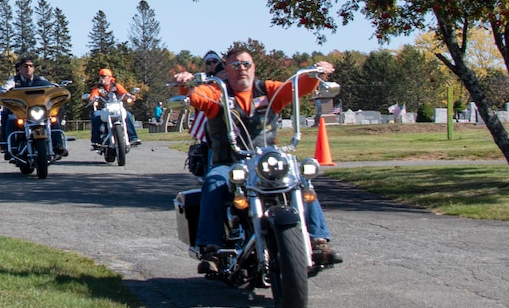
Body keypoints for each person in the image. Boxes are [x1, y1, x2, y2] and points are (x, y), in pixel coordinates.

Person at [179, 49, 341, 270]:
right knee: (213, 182)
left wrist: (314, 74)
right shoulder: (217, 93)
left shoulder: (268, 90)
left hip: (265, 163)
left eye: (246, 64)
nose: (241, 69)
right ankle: (212, 249)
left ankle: (318, 240)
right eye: (235, 65)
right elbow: (197, 98)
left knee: (301, 179)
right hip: (229, 163)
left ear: (253, 67)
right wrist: (188, 85)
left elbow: (295, 88)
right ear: (226, 69)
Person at [0, 56, 67, 159]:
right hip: (21, 111)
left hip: (37, 111)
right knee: (11, 119)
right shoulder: (14, 80)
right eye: (25, 66)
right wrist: (5, 90)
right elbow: (6, 88)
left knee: (53, 119)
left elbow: (50, 85)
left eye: (31, 66)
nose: (28, 68)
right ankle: (10, 147)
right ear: (20, 68)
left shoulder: (39, 79)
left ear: (34, 68)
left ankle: (58, 145)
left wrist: (58, 87)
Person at [86, 67, 139, 149]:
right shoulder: (98, 88)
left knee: (128, 115)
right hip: (103, 110)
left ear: (109, 77)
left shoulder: (116, 86)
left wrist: (129, 96)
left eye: (103, 76)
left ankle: (133, 138)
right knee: (95, 115)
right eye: (100, 76)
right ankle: (96, 141)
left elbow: (123, 93)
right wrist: (92, 99)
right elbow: (93, 95)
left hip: (116, 108)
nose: (101, 78)